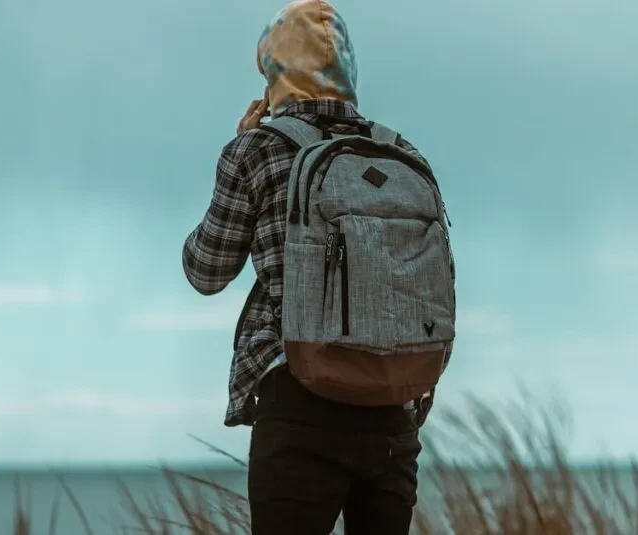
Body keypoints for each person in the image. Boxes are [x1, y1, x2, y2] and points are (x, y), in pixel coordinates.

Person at [182, 1, 452, 533]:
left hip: (300, 399)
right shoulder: (401, 154)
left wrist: (238, 144)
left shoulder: (257, 149)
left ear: (274, 72)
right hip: (392, 409)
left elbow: (206, 271)